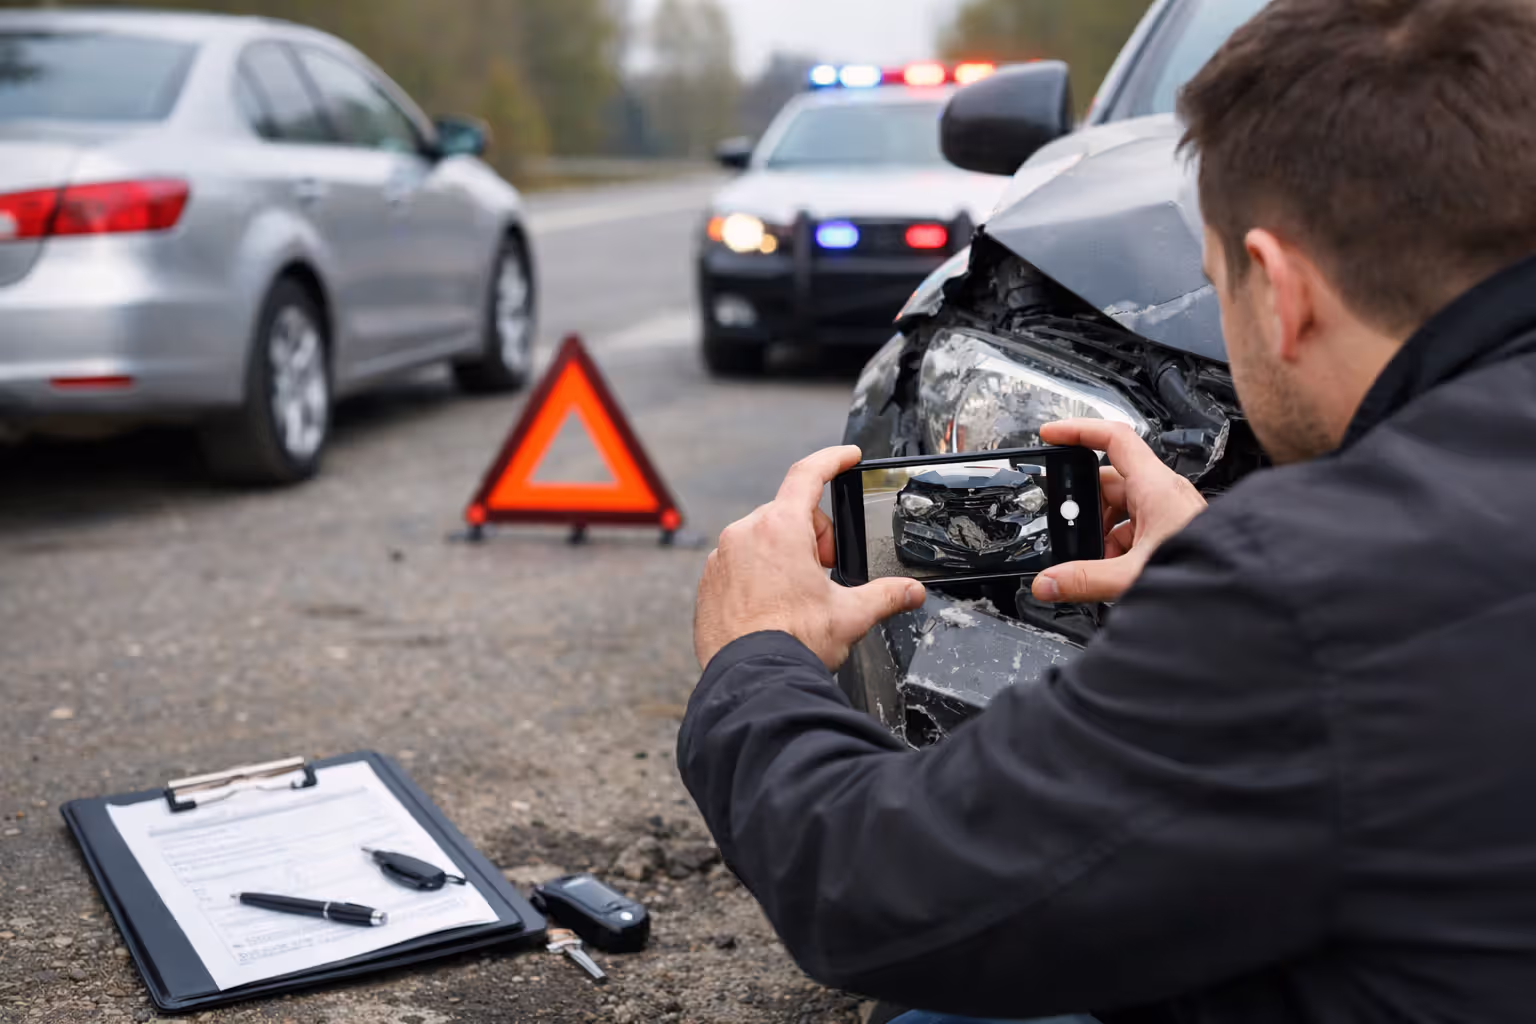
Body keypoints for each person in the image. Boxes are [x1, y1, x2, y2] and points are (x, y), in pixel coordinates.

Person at [676, 0, 1536, 1021]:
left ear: (1281, 289)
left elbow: (881, 889)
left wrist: (753, 661)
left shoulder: (1307, 591)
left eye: (1217, 287)